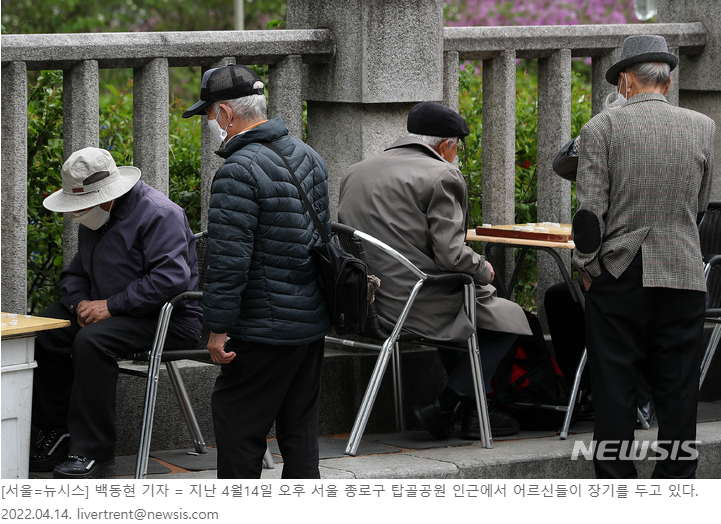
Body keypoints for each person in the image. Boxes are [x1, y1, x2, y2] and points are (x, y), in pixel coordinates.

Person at [338, 101, 532, 440]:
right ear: (447, 146)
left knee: (467, 308)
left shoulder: (357, 170)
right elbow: (451, 256)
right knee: (509, 319)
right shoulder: (441, 174)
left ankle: (471, 413)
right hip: (412, 302)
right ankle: (447, 405)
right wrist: (484, 269)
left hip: (362, 302)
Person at [573, 35, 715, 478]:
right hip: (684, 269)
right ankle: (674, 490)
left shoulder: (600, 129)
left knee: (615, 386)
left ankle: (618, 489)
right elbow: (701, 207)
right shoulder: (704, 126)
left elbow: (588, 217)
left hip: (621, 270)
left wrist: (589, 270)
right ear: (667, 83)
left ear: (625, 83)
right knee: (678, 391)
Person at [182, 64, 332, 479]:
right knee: (300, 431)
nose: (211, 123)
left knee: (238, 426)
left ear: (227, 113)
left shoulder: (236, 172)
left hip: (263, 327)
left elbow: (230, 262)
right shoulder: (310, 156)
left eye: (210, 115)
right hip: (309, 321)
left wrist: (217, 328)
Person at [30, 147, 203, 479]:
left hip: (168, 319)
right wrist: (79, 302)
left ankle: (92, 452)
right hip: (112, 312)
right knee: (47, 329)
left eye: (81, 206)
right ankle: (59, 433)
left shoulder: (159, 214)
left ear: (106, 196)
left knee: (93, 340)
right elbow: (74, 274)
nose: (77, 214)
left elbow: (169, 280)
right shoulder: (98, 217)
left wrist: (110, 306)